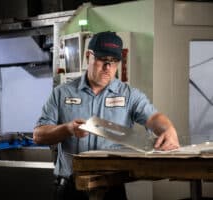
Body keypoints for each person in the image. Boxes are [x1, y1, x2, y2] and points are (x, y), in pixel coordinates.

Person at [33, 31, 180, 200]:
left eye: (114, 61)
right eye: (103, 60)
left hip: (112, 190)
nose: (108, 68)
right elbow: (38, 135)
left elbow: (153, 118)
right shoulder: (61, 93)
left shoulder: (129, 95)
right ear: (89, 56)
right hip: (70, 190)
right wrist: (67, 129)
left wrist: (168, 129)